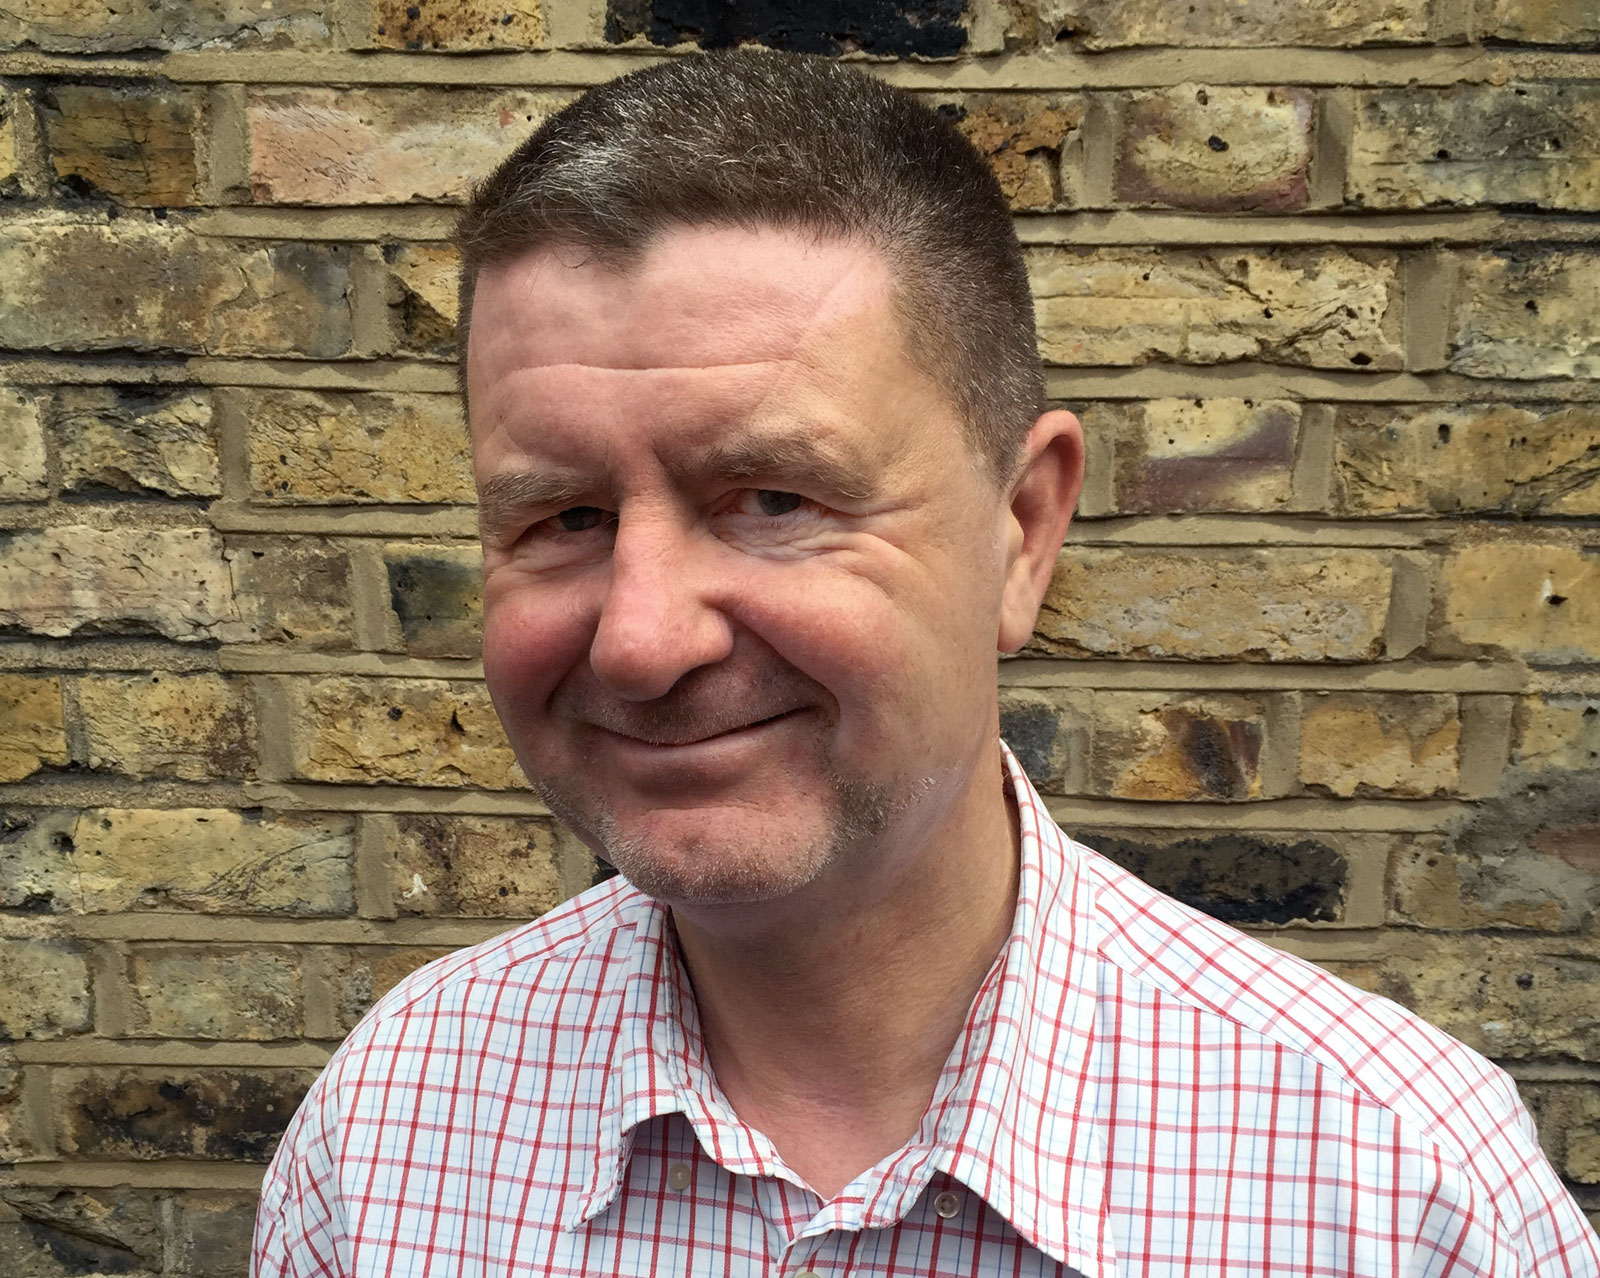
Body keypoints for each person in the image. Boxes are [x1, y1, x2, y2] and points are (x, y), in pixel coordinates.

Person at [252, 52, 1600, 1278]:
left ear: (1022, 530)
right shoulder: (386, 1132)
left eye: (773, 499)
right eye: (564, 518)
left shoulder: (1398, 1193)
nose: (643, 639)